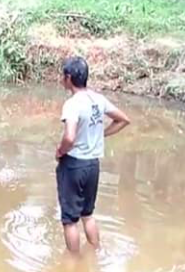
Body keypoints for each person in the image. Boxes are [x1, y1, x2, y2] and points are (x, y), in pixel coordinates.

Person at [55, 57, 131, 254]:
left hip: (73, 165)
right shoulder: (98, 99)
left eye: (63, 76)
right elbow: (123, 119)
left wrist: (60, 151)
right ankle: (96, 253)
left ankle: (74, 263)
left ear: (69, 78)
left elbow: (70, 137)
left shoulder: (72, 104)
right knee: (87, 215)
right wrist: (101, 134)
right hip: (93, 166)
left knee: (70, 221)